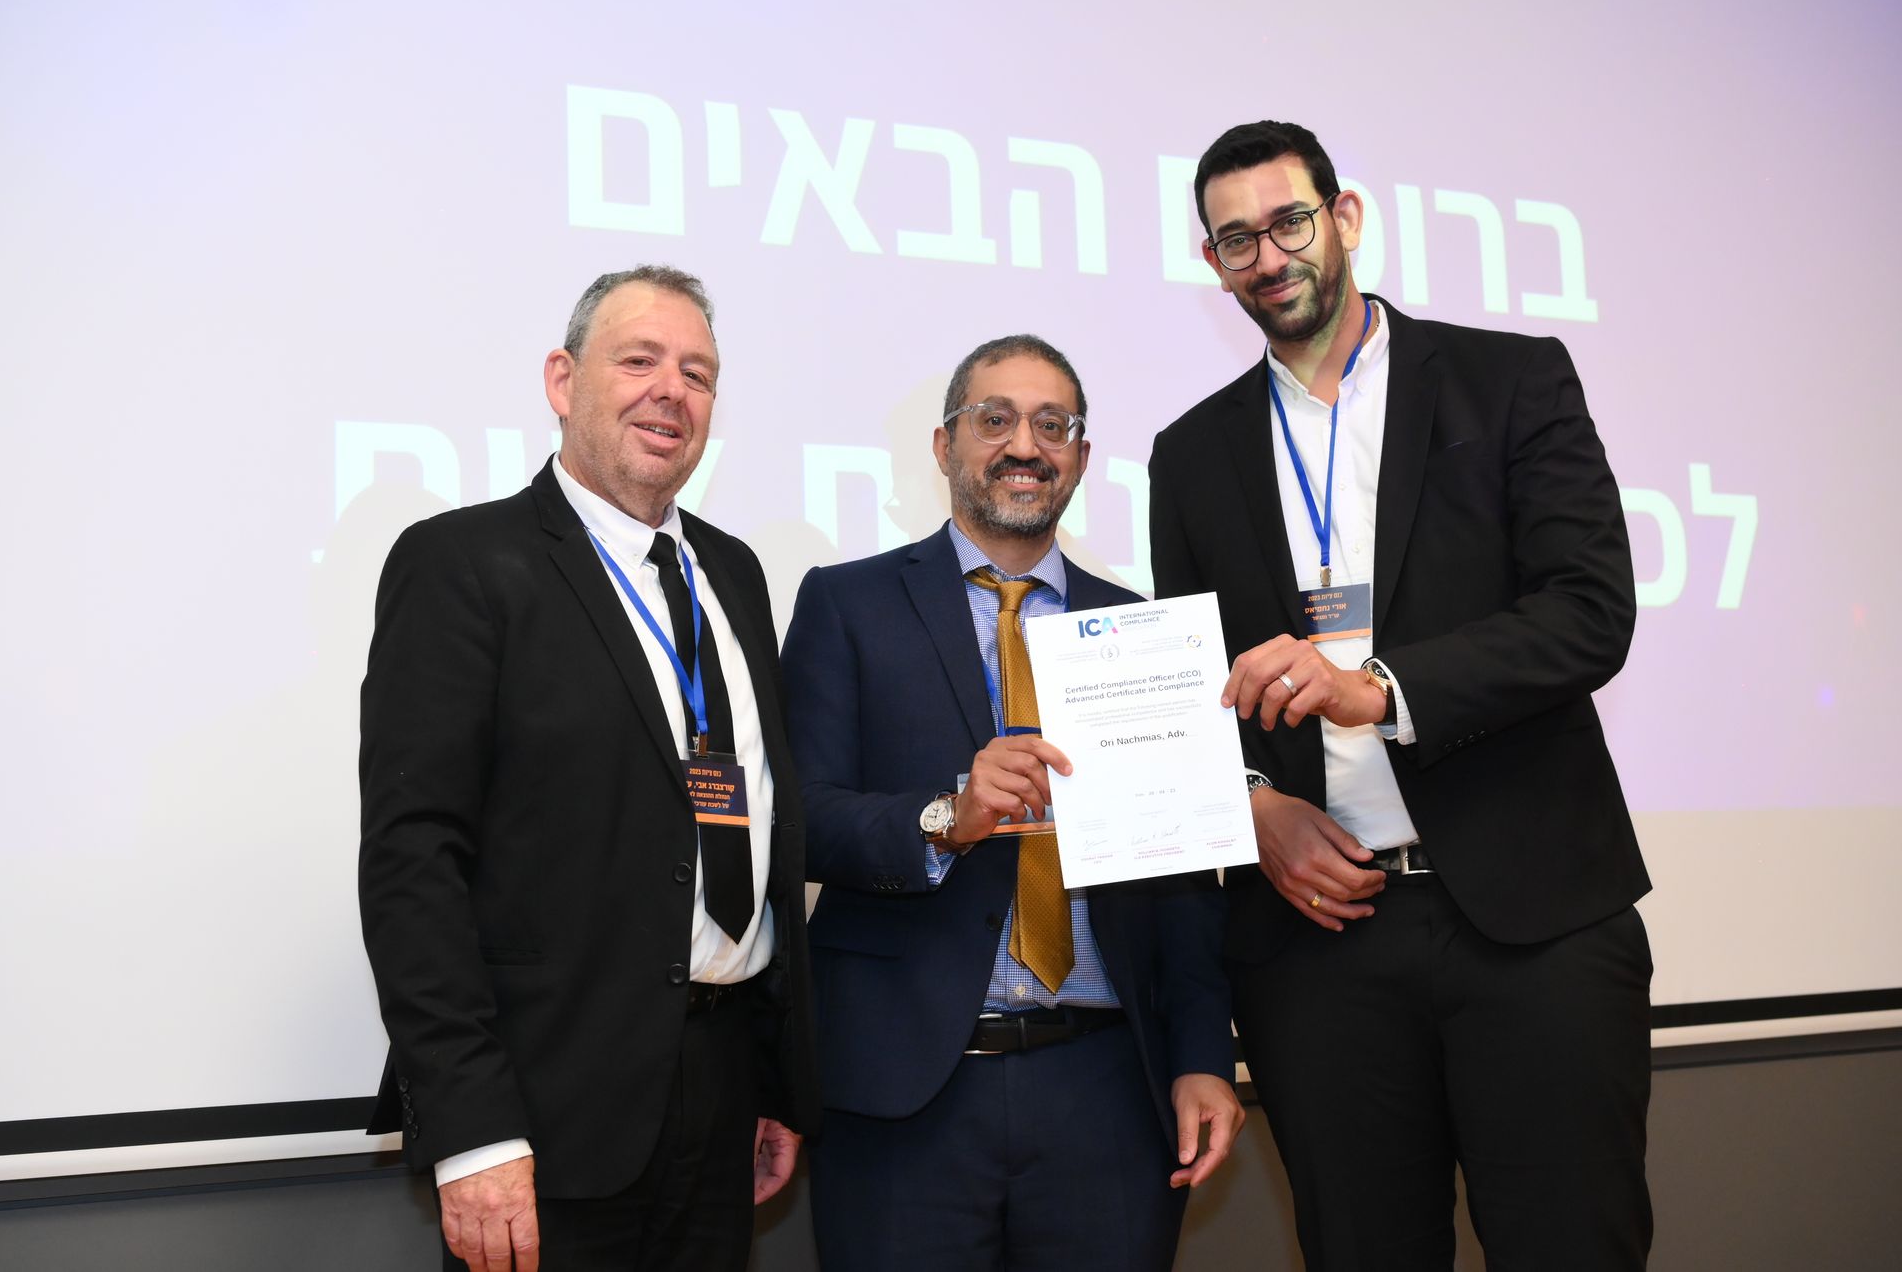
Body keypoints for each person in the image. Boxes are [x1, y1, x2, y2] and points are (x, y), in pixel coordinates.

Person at [1148, 121, 1652, 1270]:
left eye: (1288, 222)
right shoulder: (1192, 453)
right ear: (1215, 263)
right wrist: (1251, 809)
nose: (1269, 257)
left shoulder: (1509, 379)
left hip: (1532, 918)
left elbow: (1590, 609)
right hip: (1316, 946)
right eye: (1236, 240)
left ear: (1345, 217)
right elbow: (1190, 687)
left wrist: (1380, 688)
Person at [357, 266, 815, 1272]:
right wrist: (473, 1130)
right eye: (639, 360)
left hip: (722, 1093)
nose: (672, 391)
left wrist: (769, 1078)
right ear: (562, 381)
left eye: (698, 373)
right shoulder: (462, 563)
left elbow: (751, 828)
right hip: (543, 1113)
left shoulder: (734, 573)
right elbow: (412, 863)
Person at [782, 334, 1244, 1272]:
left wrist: (1202, 1052)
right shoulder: (847, 603)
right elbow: (802, 820)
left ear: (1081, 454)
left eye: (1052, 425)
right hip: (905, 1096)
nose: (1024, 445)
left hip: (1107, 1087)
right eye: (995, 419)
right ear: (944, 443)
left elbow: (1186, 872)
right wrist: (946, 816)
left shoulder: (1144, 629)